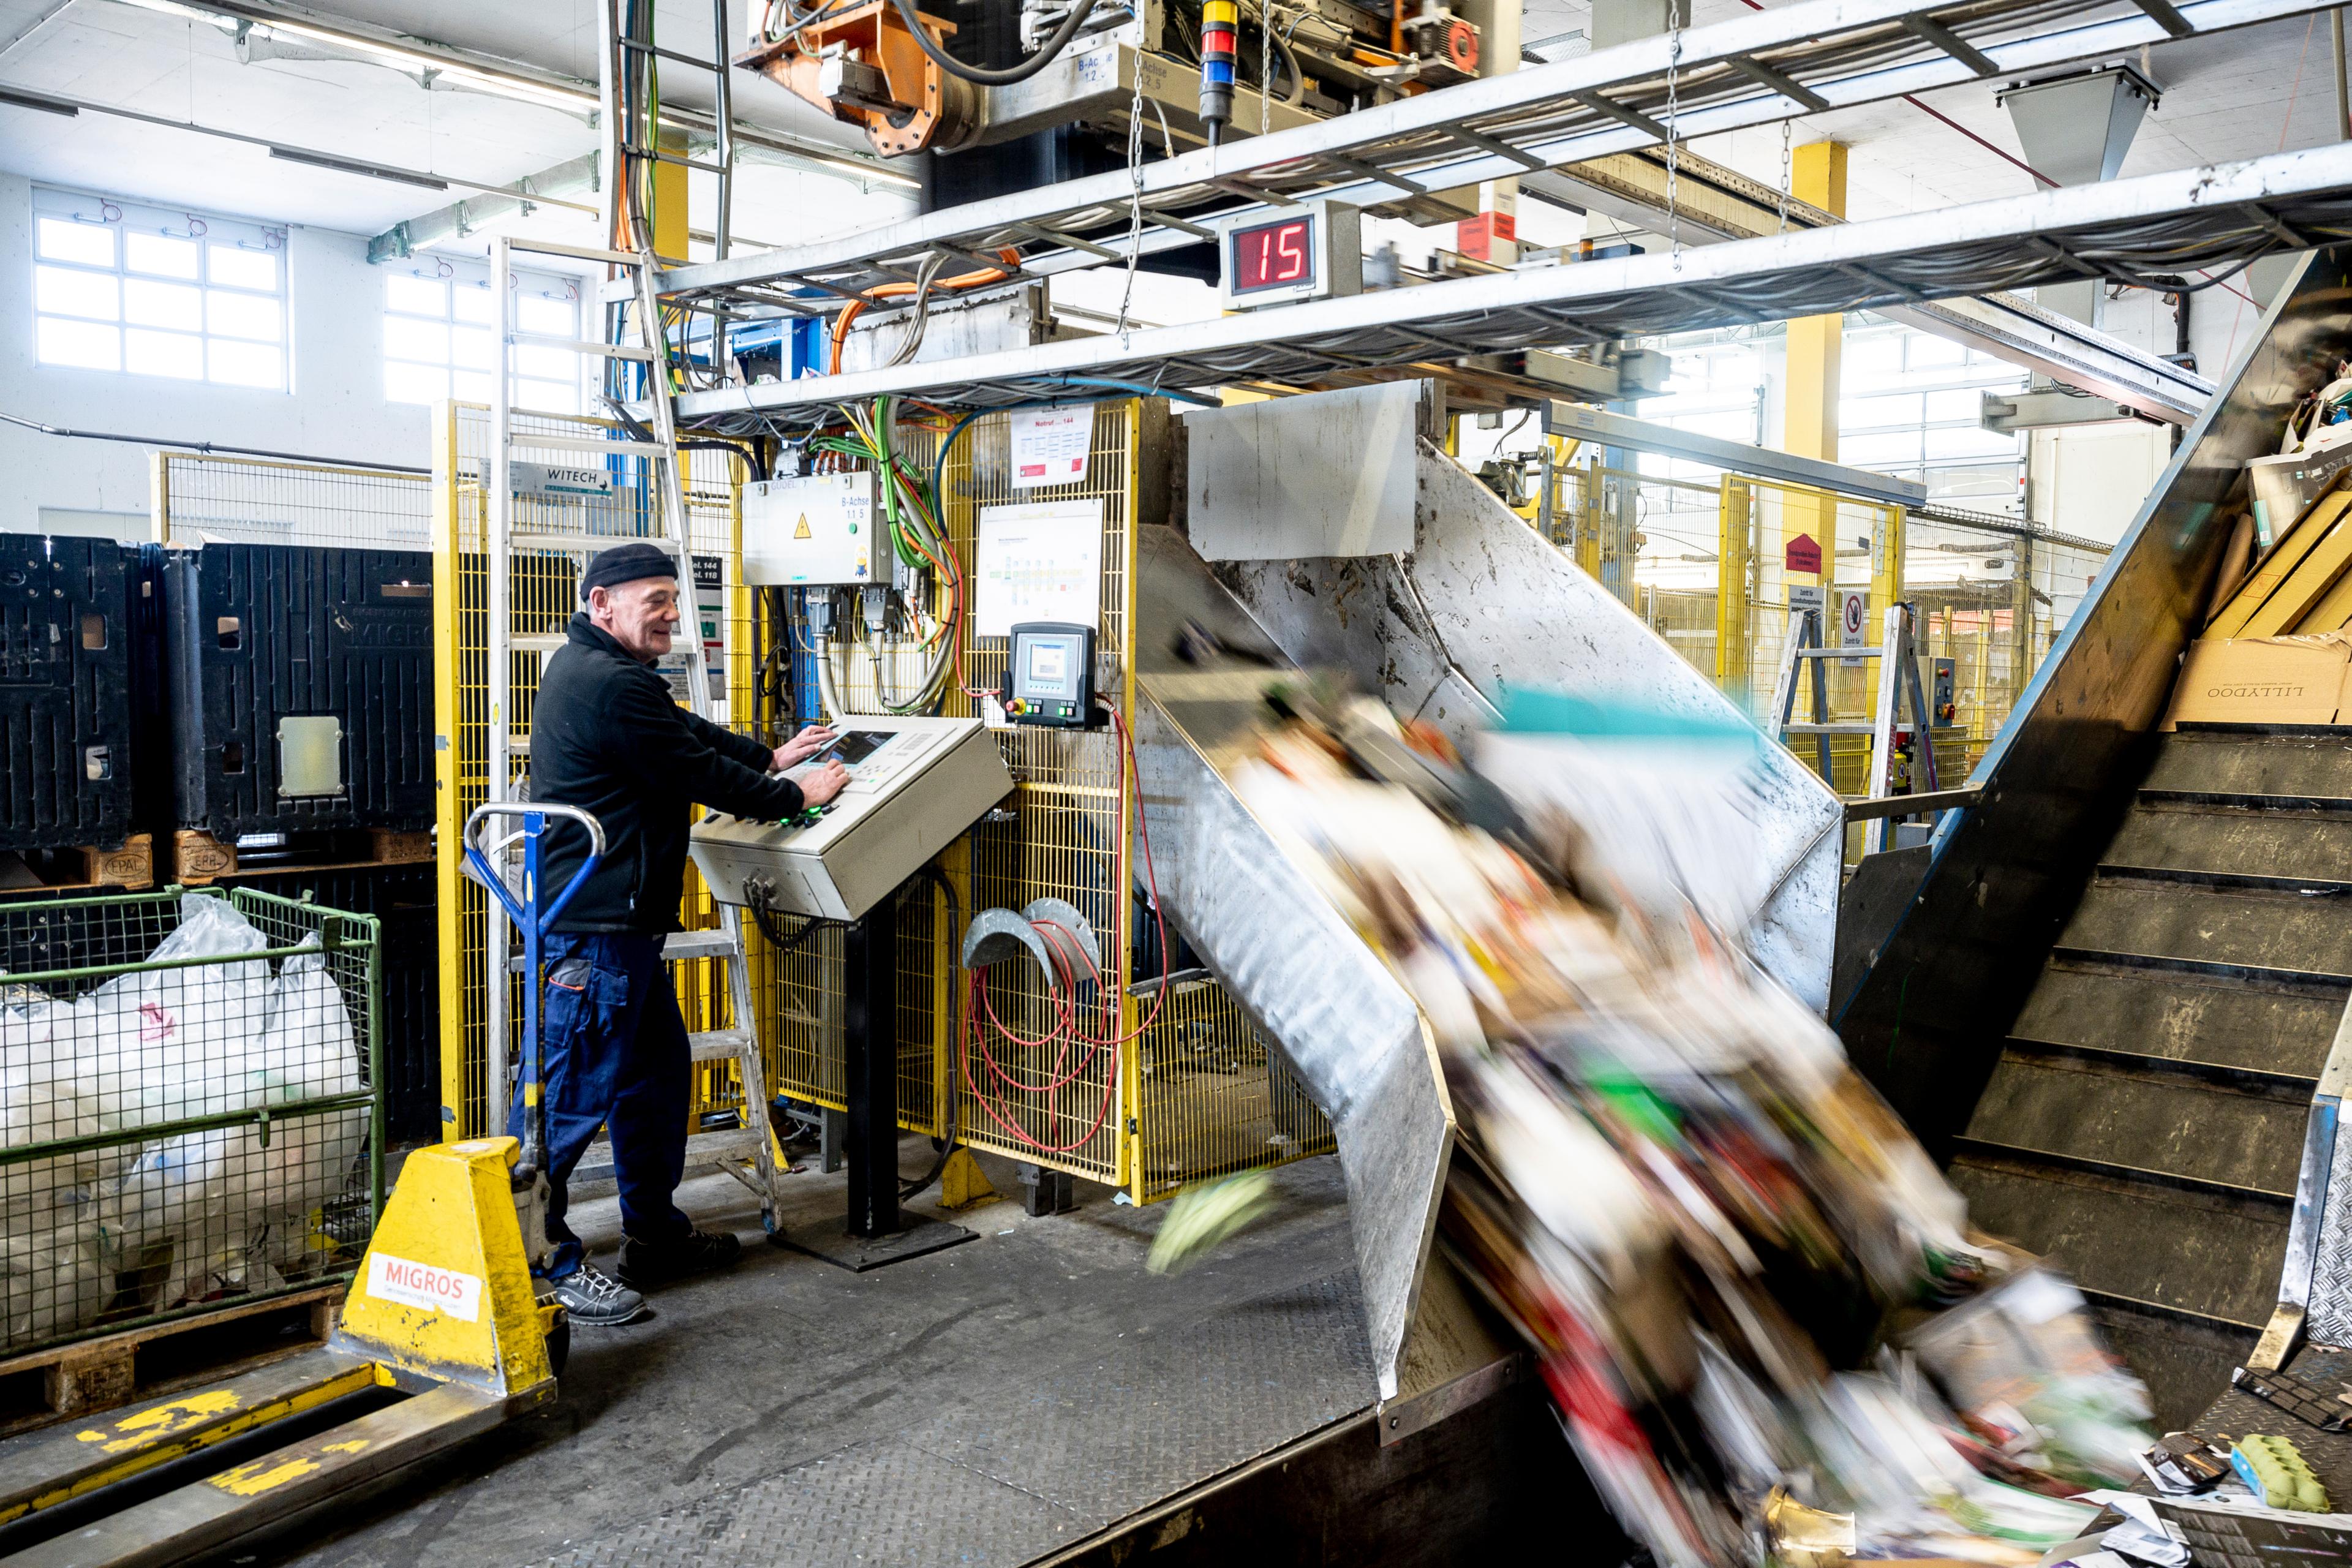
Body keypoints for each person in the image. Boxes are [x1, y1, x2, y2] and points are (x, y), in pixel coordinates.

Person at [522, 541, 849, 1327]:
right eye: (654, 600)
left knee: (656, 1081)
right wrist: (788, 792)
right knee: (569, 1104)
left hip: (624, 931)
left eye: (675, 597)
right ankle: (540, 1263)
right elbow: (694, 771)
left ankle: (655, 1235)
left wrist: (771, 755)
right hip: (596, 930)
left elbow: (688, 734)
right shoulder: (606, 683)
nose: (673, 613)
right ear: (602, 604)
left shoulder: (608, 674)